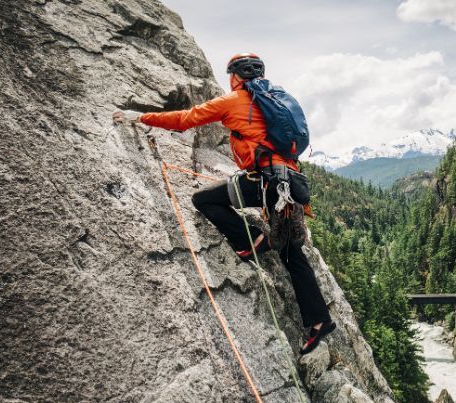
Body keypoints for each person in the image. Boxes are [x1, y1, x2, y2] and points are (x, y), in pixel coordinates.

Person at [113, 53, 335, 354]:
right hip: (290, 183)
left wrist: (139, 117)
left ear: (234, 77)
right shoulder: (277, 99)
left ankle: (255, 241)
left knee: (204, 200)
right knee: (291, 252)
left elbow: (185, 119)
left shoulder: (233, 101)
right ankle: (318, 318)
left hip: (266, 183)